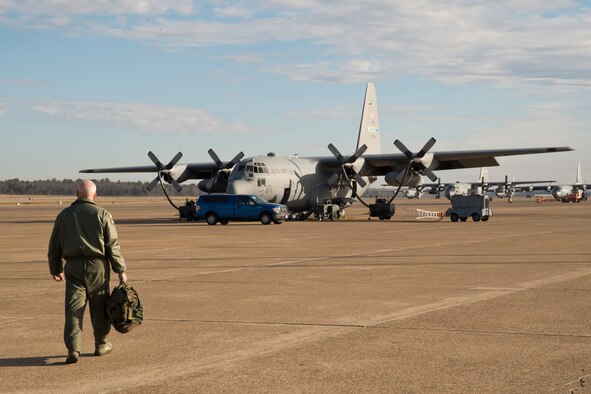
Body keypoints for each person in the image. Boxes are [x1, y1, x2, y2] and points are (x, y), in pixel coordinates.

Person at [48, 180, 128, 364]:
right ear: (95, 196)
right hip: (97, 267)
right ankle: (101, 344)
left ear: (77, 194)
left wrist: (56, 269)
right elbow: (112, 246)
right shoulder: (102, 214)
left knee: (73, 309)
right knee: (99, 307)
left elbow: (54, 246)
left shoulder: (64, 215)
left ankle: (73, 349)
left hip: (73, 267)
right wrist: (120, 270)